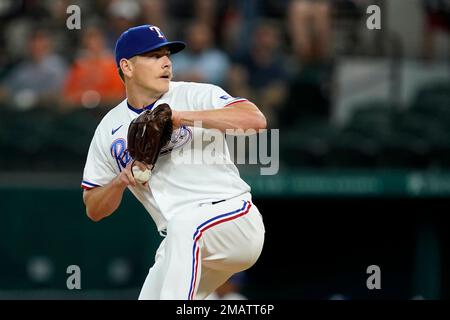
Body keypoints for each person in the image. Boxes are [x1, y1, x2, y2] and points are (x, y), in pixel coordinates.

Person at [81, 24, 266, 300]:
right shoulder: (109, 129)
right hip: (182, 243)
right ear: (127, 67)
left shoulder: (194, 95)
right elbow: (93, 208)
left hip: (232, 218)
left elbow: (255, 120)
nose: (166, 62)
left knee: (184, 228)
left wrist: (180, 117)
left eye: (167, 54)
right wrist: (120, 181)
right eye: (154, 56)